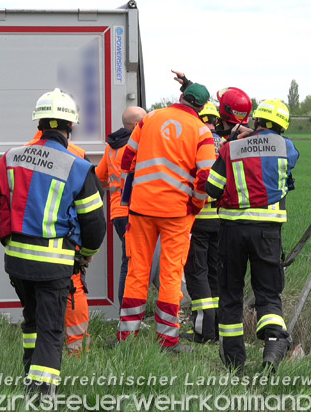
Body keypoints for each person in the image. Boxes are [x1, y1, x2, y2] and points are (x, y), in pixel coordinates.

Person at [0, 88, 107, 395]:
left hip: (17, 263)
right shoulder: (79, 166)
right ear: (70, 126)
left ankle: (29, 375)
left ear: (39, 123)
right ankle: (41, 399)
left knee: (32, 320)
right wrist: (86, 254)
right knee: (51, 329)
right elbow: (95, 223)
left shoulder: (9, 158)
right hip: (54, 265)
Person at [116, 83, 216, 353]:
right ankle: (167, 341)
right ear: (202, 107)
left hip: (141, 208)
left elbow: (126, 161)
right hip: (177, 213)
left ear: (180, 97)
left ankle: (127, 337)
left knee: (137, 271)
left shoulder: (149, 119)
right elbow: (206, 177)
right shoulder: (202, 132)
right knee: (171, 275)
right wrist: (195, 204)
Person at [206, 99, 299, 374]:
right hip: (268, 233)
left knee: (231, 293)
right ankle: (273, 345)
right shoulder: (287, 147)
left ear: (255, 121)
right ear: (281, 125)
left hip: (232, 230)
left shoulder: (231, 149)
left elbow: (212, 189)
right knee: (268, 293)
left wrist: (231, 143)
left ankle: (234, 363)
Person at [25, 130, 92, 356]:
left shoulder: (22, 153)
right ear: (69, 126)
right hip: (67, 236)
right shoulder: (77, 154)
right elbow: (92, 202)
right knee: (73, 288)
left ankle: (38, 347)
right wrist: (87, 246)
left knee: (35, 292)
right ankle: (77, 347)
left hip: (29, 237)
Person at [95, 106, 146, 307]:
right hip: (135, 212)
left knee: (130, 261)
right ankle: (127, 314)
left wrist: (115, 186)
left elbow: (99, 178)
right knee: (132, 264)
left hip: (118, 213)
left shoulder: (112, 147)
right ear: (136, 125)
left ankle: (129, 313)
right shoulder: (138, 146)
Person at [182, 102, 223, 344]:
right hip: (222, 219)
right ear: (216, 121)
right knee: (215, 274)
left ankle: (203, 331)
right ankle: (217, 328)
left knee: (197, 273)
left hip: (197, 218)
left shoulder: (194, 142)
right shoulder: (226, 145)